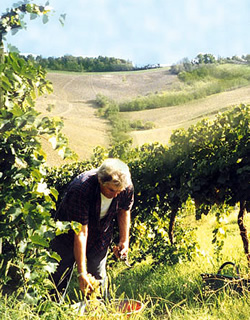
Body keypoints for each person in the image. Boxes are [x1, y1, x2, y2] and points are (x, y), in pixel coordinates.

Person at [50, 158, 134, 301]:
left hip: (100, 235)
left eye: (119, 191)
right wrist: (81, 272)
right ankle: (50, 310)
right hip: (68, 235)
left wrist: (124, 241)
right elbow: (81, 232)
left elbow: (124, 211)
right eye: (112, 190)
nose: (115, 195)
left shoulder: (125, 187)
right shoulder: (81, 188)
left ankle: (97, 310)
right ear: (101, 181)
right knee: (58, 275)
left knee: (98, 278)